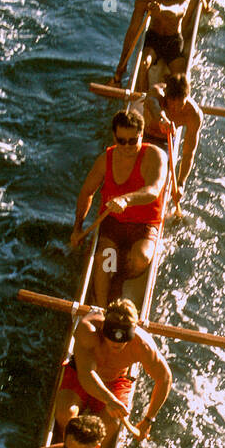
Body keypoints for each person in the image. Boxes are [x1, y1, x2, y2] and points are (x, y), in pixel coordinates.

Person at [70, 110, 167, 308]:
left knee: (141, 259)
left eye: (133, 141)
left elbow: (154, 190)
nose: (127, 147)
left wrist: (126, 200)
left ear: (142, 136)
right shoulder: (105, 159)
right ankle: (103, 307)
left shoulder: (155, 156)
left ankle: (120, 276)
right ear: (114, 137)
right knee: (106, 258)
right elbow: (86, 192)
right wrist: (77, 228)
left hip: (144, 224)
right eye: (122, 141)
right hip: (113, 224)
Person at [55, 297, 172, 448]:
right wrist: (110, 400)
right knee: (65, 415)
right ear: (103, 326)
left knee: (109, 427)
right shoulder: (88, 330)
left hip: (115, 381)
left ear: (133, 330)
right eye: (111, 337)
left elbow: (165, 379)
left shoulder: (143, 345)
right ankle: (64, 447)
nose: (116, 344)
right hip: (80, 374)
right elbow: (86, 375)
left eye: (124, 339)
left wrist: (148, 420)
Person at [111, 0, 190, 91]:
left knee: (180, 79)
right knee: (143, 65)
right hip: (154, 38)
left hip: (173, 41)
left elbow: (177, 11)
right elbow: (133, 30)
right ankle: (143, 98)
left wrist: (162, 8)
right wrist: (121, 65)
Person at [143, 72, 203, 199]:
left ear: (187, 97)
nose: (174, 107)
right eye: (171, 101)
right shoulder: (156, 93)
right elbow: (153, 104)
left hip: (165, 142)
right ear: (166, 95)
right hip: (143, 135)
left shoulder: (193, 114)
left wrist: (181, 183)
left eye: (179, 102)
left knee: (156, 175)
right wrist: (162, 119)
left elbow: (188, 153)